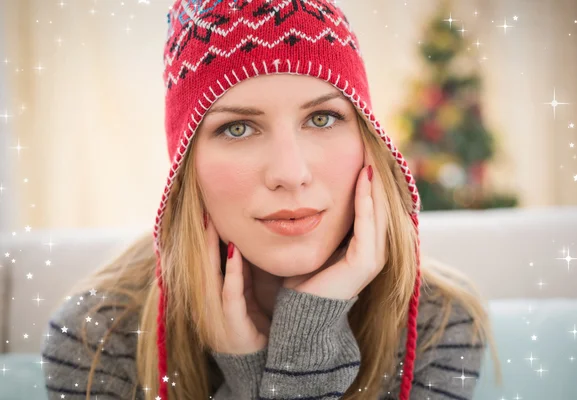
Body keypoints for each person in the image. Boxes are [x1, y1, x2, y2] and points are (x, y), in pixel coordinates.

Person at [41, 1, 502, 399]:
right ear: (185, 169)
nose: (290, 173)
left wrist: (305, 336)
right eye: (237, 128)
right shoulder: (97, 334)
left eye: (322, 118)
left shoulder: (439, 325)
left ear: (369, 141)